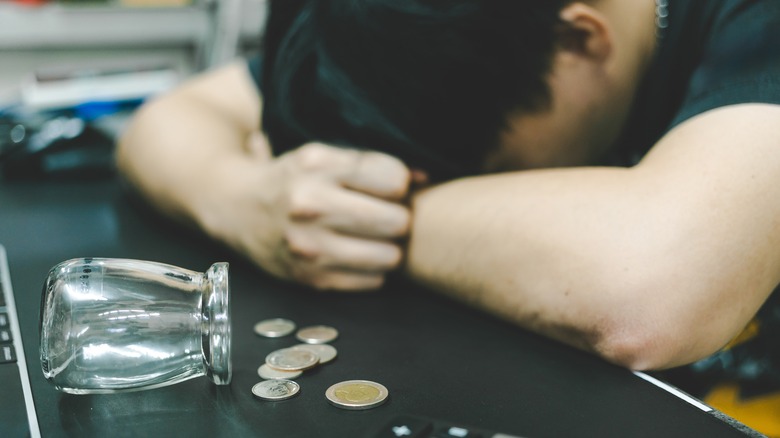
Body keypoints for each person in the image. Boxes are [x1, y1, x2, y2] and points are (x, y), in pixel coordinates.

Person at [117, 0, 780, 431]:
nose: (486, 198)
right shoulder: (435, 28)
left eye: (487, 171)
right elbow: (170, 118)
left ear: (581, 37)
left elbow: (653, 291)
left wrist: (358, 219)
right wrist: (244, 197)